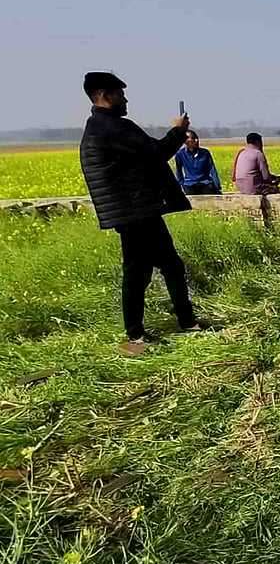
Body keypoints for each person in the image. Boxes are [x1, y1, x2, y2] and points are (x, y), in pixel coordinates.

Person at [78, 72, 207, 356]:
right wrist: (178, 130)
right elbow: (155, 152)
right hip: (134, 212)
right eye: (120, 94)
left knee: (165, 266)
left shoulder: (100, 127)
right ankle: (138, 334)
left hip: (135, 211)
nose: (125, 100)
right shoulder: (111, 127)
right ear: (105, 95)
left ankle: (184, 322)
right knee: (139, 272)